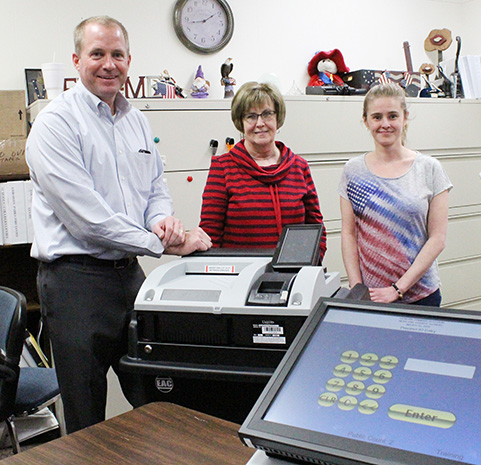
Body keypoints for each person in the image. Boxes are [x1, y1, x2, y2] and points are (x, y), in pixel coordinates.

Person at [25, 16, 211, 433]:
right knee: (87, 412)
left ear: (129, 61)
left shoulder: (136, 120)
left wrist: (161, 220)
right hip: (76, 284)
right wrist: (160, 244)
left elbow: (154, 187)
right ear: (77, 60)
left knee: (159, 397)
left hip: (129, 277)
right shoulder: (56, 124)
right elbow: (88, 221)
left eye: (117, 55)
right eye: (97, 54)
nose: (108, 64)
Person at [338, 83, 452, 306]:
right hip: (370, 297)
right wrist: (356, 288)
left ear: (405, 117)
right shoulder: (353, 171)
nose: (385, 124)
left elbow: (437, 239)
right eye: (377, 117)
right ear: (366, 121)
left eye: (392, 116)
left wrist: (397, 289)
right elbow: (348, 234)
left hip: (421, 296)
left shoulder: (429, 169)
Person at [200, 81, 326, 258]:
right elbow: (209, 236)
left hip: (293, 275)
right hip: (240, 278)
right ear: (241, 122)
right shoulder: (223, 168)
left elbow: (316, 229)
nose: (260, 123)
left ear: (277, 118)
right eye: (251, 116)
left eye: (267, 114)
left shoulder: (299, 167)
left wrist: (308, 264)